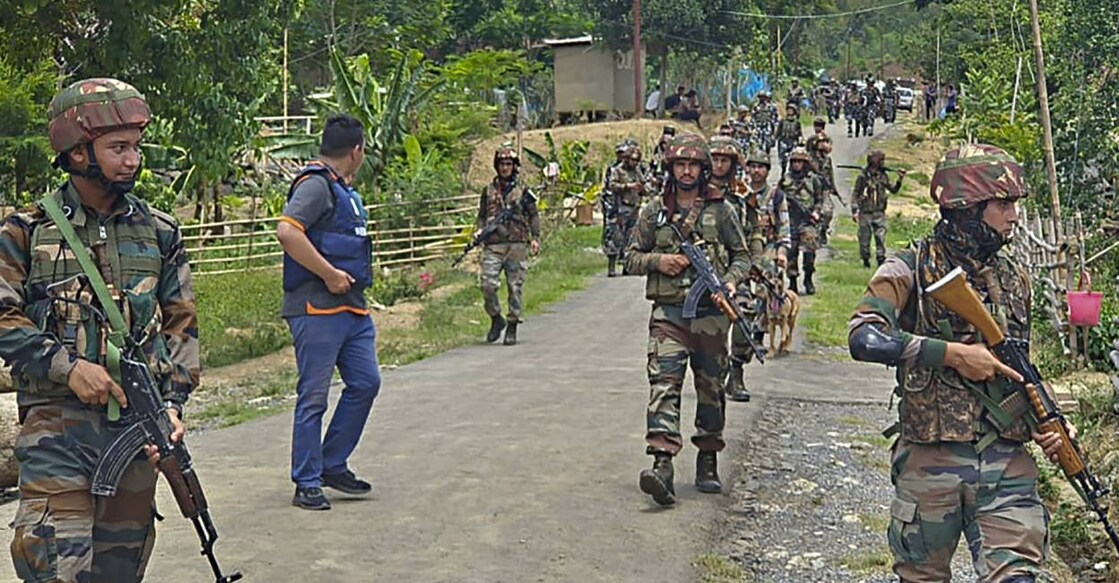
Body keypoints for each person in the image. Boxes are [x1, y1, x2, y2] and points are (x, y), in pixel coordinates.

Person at [848, 144, 1074, 582]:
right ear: (966, 205)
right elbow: (864, 337)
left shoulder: (1013, 277)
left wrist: (1047, 420)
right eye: (1004, 204)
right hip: (930, 462)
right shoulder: (909, 267)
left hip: (1006, 461)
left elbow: (1016, 367)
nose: (1014, 216)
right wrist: (950, 354)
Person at [0, 78, 194, 581]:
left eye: (136, 147)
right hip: (56, 432)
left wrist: (172, 403)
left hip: (133, 433)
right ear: (78, 152)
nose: (132, 160)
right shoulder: (25, 232)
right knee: (59, 567)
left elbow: (181, 324)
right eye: (117, 148)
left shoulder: (161, 231)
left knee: (119, 569)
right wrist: (68, 369)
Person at [625, 134, 752, 506]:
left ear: (703, 169)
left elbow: (742, 256)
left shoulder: (722, 210)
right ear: (670, 168)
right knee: (664, 384)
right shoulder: (654, 211)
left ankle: (708, 457)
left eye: (693, 165)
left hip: (712, 319)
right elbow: (631, 255)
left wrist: (728, 282)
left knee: (712, 387)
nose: (685, 171)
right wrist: (658, 262)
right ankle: (662, 463)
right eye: (680, 165)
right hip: (669, 314)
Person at [277, 115, 381, 511]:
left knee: (366, 382)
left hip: (352, 308)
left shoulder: (343, 189)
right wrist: (330, 274)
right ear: (357, 151)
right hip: (316, 308)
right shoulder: (316, 185)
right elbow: (287, 231)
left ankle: (332, 463)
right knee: (314, 396)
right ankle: (307, 480)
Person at [724, 149, 789, 403]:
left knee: (756, 306)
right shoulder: (735, 191)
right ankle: (721, 373)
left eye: (761, 167)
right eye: (752, 166)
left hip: (763, 256)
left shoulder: (775, 196)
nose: (756, 171)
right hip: (731, 258)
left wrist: (782, 251)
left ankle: (743, 359)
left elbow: (784, 226)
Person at [475, 145, 541, 346]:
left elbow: (533, 215)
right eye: (502, 164)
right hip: (493, 245)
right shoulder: (488, 191)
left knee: (515, 286)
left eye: (509, 164)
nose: (505, 168)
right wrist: (478, 231)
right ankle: (496, 318)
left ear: (514, 166)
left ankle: (512, 324)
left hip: (516, 244)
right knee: (488, 284)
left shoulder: (523, 191)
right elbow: (482, 216)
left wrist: (535, 237)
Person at [779, 147, 824, 295]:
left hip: (807, 222)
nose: (797, 165)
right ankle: (792, 281)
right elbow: (778, 199)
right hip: (790, 221)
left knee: (809, 253)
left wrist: (816, 212)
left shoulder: (813, 180)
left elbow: (819, 199)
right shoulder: (785, 180)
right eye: (794, 162)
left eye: (800, 162)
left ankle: (808, 278)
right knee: (791, 254)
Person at [851, 150, 906, 268]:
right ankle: (866, 261)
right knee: (864, 239)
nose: (883, 163)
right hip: (865, 212)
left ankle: (881, 259)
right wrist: (855, 210)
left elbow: (893, 190)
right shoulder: (863, 177)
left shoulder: (883, 176)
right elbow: (855, 194)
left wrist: (900, 179)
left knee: (880, 237)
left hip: (879, 212)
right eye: (881, 160)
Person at [604, 145, 647, 277]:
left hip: (634, 207)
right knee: (616, 237)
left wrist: (642, 188)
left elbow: (644, 184)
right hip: (620, 207)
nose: (634, 163)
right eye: (632, 160)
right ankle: (612, 266)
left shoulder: (636, 171)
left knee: (630, 238)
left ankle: (626, 266)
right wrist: (628, 186)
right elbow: (612, 185)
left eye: (636, 161)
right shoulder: (617, 170)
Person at [806, 120, 837, 246]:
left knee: (828, 212)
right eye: (821, 142)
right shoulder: (808, 158)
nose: (824, 144)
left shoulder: (826, 160)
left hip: (824, 189)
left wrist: (833, 188)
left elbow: (830, 174)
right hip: (810, 189)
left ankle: (823, 230)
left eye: (825, 142)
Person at [775, 103, 803, 176]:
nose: (789, 111)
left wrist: (801, 140)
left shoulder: (797, 122)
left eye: (791, 110)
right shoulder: (783, 121)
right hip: (783, 141)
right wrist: (775, 138)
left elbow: (800, 133)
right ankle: (783, 171)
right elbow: (778, 130)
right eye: (788, 110)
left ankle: (791, 172)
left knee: (793, 157)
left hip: (793, 141)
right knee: (783, 159)